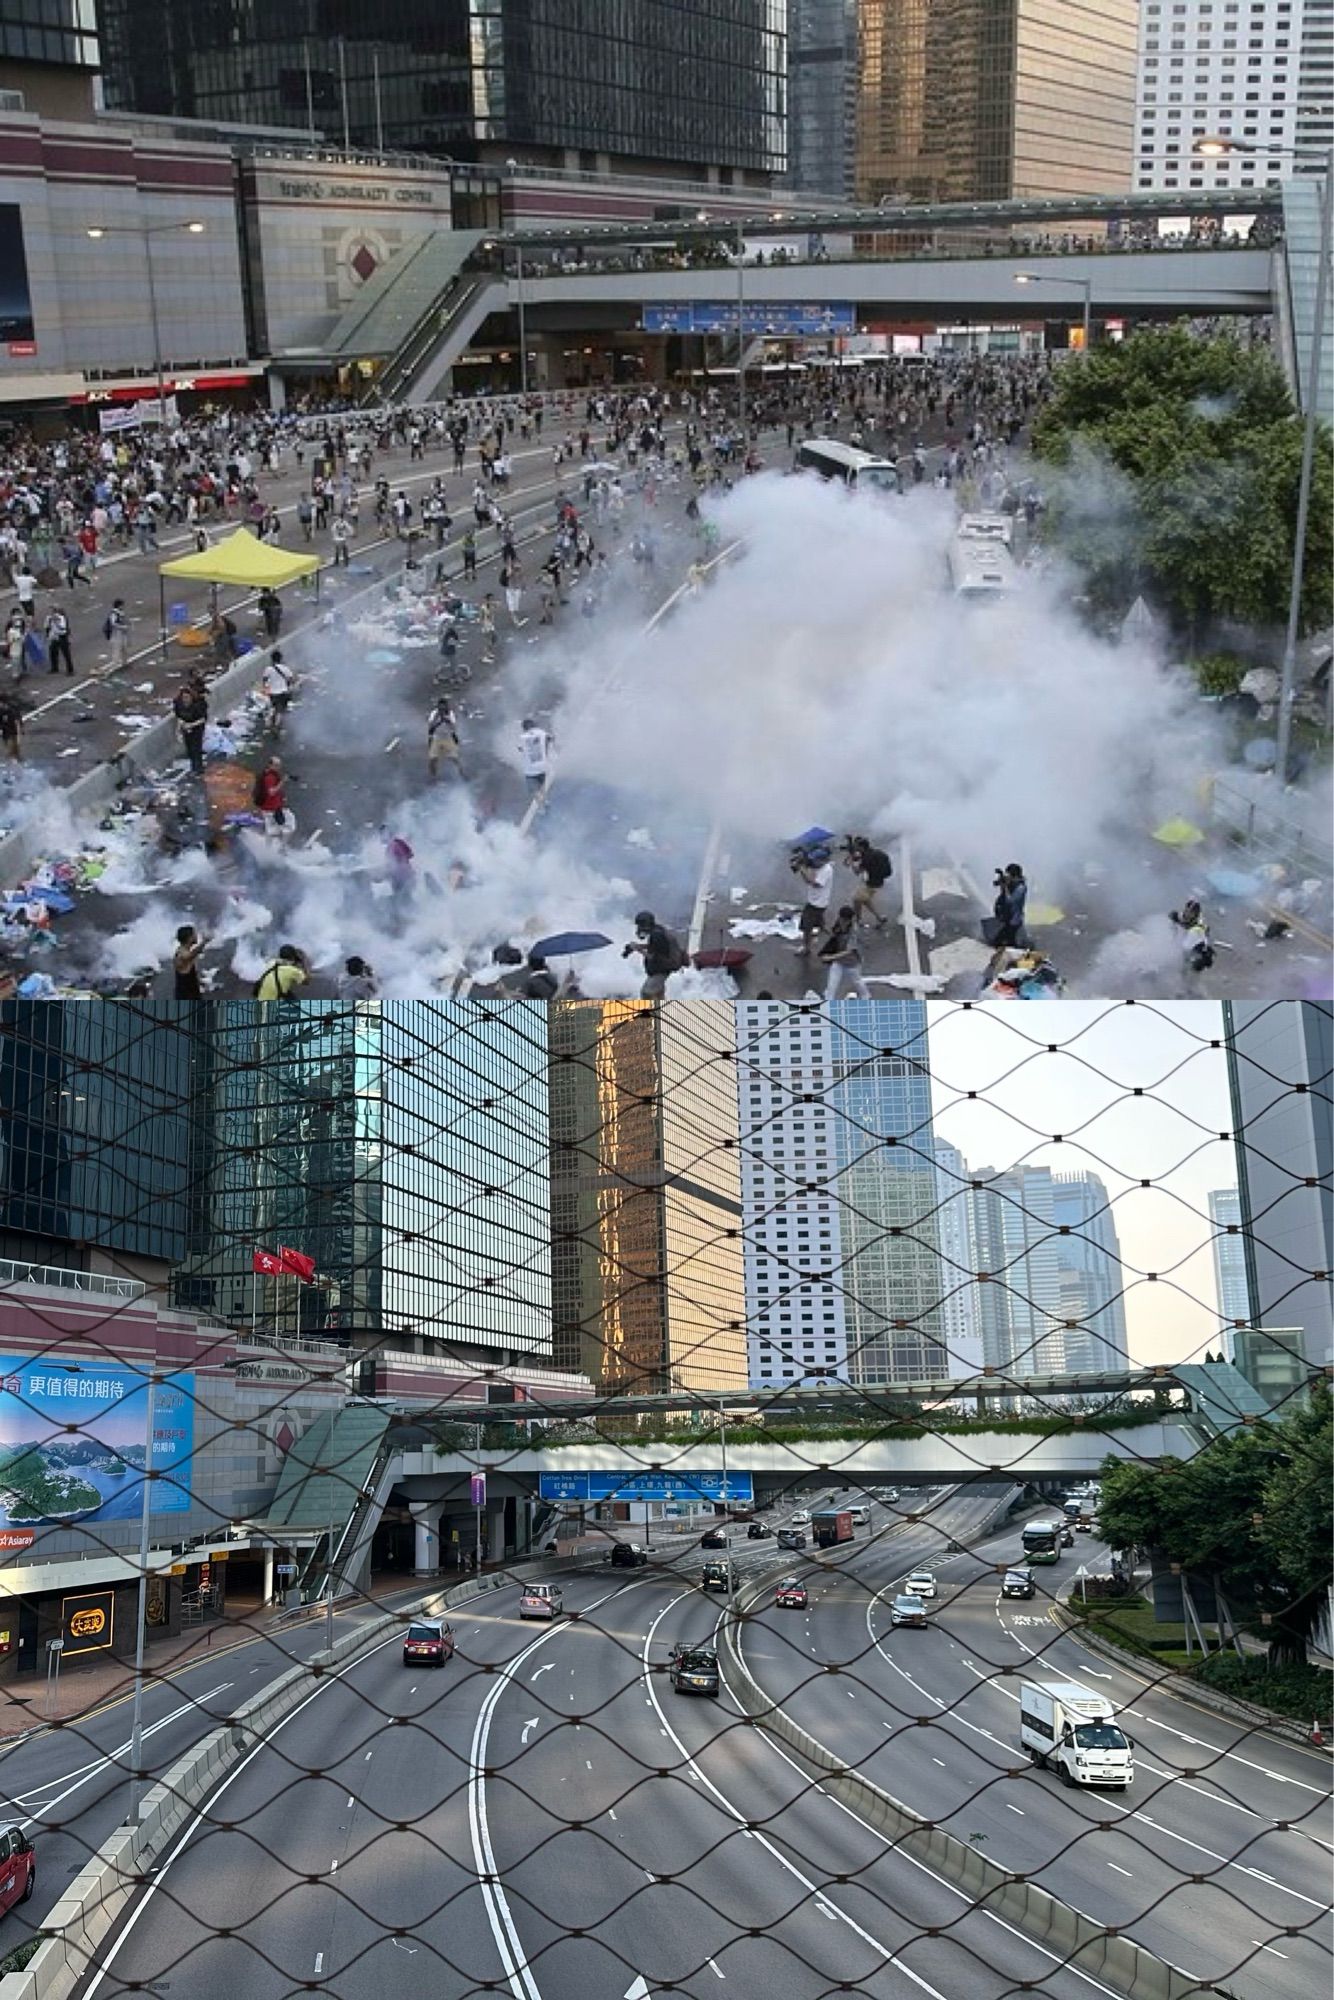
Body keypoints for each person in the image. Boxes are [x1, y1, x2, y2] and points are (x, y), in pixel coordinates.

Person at [624, 909, 685, 999]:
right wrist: (639, 946)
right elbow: (656, 947)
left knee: (646, 993)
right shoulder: (658, 930)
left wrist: (638, 949)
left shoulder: (656, 936)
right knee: (658, 994)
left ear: (645, 924)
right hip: (665, 966)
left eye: (640, 925)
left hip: (661, 969)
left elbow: (654, 957)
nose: (639, 928)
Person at [819, 905, 869, 1001]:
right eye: (841, 919)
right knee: (831, 985)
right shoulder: (839, 924)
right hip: (838, 962)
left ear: (849, 920)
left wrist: (831, 957)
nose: (842, 922)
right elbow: (834, 934)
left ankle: (865, 996)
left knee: (857, 982)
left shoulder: (854, 931)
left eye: (844, 920)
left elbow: (849, 951)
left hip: (851, 963)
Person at [793, 847, 835, 957]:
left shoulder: (826, 870)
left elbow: (815, 883)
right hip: (818, 901)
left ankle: (806, 949)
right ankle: (837, 936)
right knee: (821, 924)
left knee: (806, 927)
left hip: (816, 904)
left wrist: (802, 871)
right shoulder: (818, 866)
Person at [847, 836, 893, 930]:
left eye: (857, 847)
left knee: (856, 899)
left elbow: (857, 872)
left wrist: (852, 862)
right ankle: (879, 917)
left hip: (870, 884)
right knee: (865, 900)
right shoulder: (876, 852)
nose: (856, 849)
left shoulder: (867, 858)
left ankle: (858, 920)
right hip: (878, 882)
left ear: (862, 847)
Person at [986, 863, 1029, 950]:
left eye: (1009, 875)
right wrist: (1002, 882)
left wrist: (1005, 886)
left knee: (1004, 942)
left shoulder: (1021, 888)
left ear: (1015, 876)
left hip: (1014, 921)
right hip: (1007, 918)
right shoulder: (1011, 883)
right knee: (1004, 941)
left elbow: (1010, 901)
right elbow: (996, 884)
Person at [173, 677, 209, 776]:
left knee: (196, 747)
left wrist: (191, 725)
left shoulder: (197, 706)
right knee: (189, 748)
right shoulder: (178, 705)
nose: (186, 700)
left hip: (197, 726)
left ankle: (198, 768)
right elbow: (179, 717)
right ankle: (193, 765)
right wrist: (178, 730)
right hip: (186, 727)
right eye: (184, 698)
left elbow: (202, 719)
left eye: (187, 698)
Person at [253, 756, 290, 835]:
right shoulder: (269, 777)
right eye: (276, 765)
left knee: (281, 824)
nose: (278, 767)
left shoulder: (273, 775)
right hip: (270, 807)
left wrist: (282, 798)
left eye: (279, 765)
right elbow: (271, 792)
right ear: (270, 765)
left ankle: (275, 841)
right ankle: (273, 844)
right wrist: (282, 782)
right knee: (284, 826)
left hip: (274, 806)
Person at [427, 698, 462, 780]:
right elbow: (431, 727)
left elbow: (453, 726)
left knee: (454, 758)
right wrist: (439, 721)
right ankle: (432, 777)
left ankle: (461, 774)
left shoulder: (450, 713)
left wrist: (447, 720)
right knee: (433, 758)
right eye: (440, 706)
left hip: (448, 737)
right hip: (437, 738)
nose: (442, 708)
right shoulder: (434, 713)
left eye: (444, 706)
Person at [262, 649, 294, 732]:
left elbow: (265, 679)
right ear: (281, 658)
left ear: (272, 659)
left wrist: (266, 688)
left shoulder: (268, 669)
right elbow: (291, 679)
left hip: (272, 693)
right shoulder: (285, 668)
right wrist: (289, 686)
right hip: (283, 692)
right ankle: (276, 725)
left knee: (275, 707)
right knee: (280, 710)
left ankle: (272, 721)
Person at [519, 717, 552, 797]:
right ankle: (546, 799)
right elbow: (550, 738)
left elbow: (520, 749)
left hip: (530, 771)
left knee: (534, 791)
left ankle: (541, 801)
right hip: (543, 767)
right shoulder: (541, 732)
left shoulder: (522, 737)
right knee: (544, 786)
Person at [172, 925, 207, 999]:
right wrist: (204, 942)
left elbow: (194, 953)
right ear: (189, 938)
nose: (196, 936)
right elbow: (189, 956)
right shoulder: (182, 954)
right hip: (186, 996)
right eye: (194, 934)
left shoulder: (184, 950)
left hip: (190, 993)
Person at [44, 605, 73, 677]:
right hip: (54, 637)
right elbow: (46, 626)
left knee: (66, 654)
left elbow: (63, 628)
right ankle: (54, 667)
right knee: (53, 653)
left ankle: (70, 670)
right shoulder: (49, 618)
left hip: (62, 637)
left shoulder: (61, 618)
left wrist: (56, 621)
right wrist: (49, 621)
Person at [104, 598, 131, 670]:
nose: (123, 606)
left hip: (122, 634)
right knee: (117, 650)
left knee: (124, 649)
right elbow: (113, 624)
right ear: (119, 605)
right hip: (116, 635)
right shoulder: (114, 614)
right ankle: (114, 666)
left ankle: (125, 663)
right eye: (122, 605)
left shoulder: (121, 612)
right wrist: (122, 627)